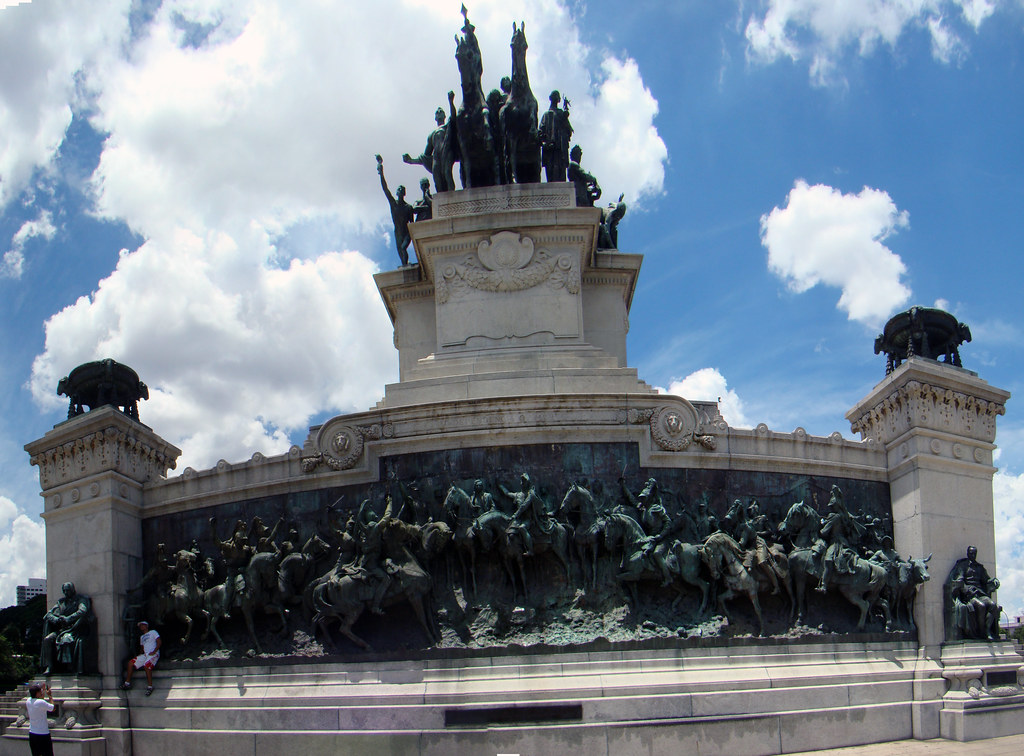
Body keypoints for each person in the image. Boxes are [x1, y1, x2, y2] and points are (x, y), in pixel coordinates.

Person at [947, 545, 1001, 640]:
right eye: (971, 553)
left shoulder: (980, 567)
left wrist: (994, 581)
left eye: (974, 553)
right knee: (981, 606)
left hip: (981, 593)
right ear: (968, 554)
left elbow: (987, 580)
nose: (973, 555)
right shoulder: (963, 565)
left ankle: (987, 630)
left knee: (993, 605)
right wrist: (966, 590)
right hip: (969, 595)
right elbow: (959, 580)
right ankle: (981, 631)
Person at [39, 582, 91, 675]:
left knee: (66, 639)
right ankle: (49, 666)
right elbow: (48, 615)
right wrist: (57, 619)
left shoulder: (80, 600)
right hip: (61, 629)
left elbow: (82, 611)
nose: (66, 592)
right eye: (64, 590)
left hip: (74, 629)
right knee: (47, 639)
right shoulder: (61, 602)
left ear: (73, 590)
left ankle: (69, 667)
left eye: (68, 590)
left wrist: (68, 618)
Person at [403, 106, 456, 193]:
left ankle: (453, 201)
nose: (439, 112)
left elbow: (454, 116)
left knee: (447, 174)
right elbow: (425, 156)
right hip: (436, 158)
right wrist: (411, 160)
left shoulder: (448, 126)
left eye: (441, 111)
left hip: (447, 154)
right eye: (437, 112)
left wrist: (451, 101)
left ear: (445, 116)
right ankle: (442, 203)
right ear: (435, 118)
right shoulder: (432, 134)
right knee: (437, 179)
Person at [376, 155, 415, 267]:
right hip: (397, 232)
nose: (400, 191)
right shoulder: (393, 204)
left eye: (402, 190)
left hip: (406, 232)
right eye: (399, 189)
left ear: (404, 193)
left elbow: (412, 223)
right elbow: (385, 189)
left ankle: (406, 266)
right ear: (397, 193)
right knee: (401, 253)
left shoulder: (408, 207)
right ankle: (405, 266)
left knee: (403, 248)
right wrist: (381, 173)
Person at [540, 90, 572, 182]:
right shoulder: (546, 115)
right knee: (550, 173)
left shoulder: (561, 114)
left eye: (557, 97)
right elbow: (540, 132)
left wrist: (565, 119)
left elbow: (568, 131)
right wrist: (545, 143)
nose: (555, 99)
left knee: (561, 173)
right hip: (550, 149)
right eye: (554, 97)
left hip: (560, 149)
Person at [122, 620, 161, 695]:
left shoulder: (153, 632)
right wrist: (140, 655)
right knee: (130, 663)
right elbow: (142, 648)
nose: (141, 627)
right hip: (145, 655)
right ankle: (127, 683)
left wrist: (154, 651)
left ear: (146, 626)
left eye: (143, 625)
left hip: (154, 654)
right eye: (140, 626)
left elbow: (159, 642)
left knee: (147, 666)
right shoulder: (142, 637)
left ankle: (150, 687)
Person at [25, 682, 55, 756]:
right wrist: (50, 696)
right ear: (37, 693)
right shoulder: (41, 703)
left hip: (32, 733)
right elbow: (53, 708)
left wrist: (43, 691)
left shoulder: (28, 701)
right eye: (40, 691)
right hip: (43, 734)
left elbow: (40, 700)